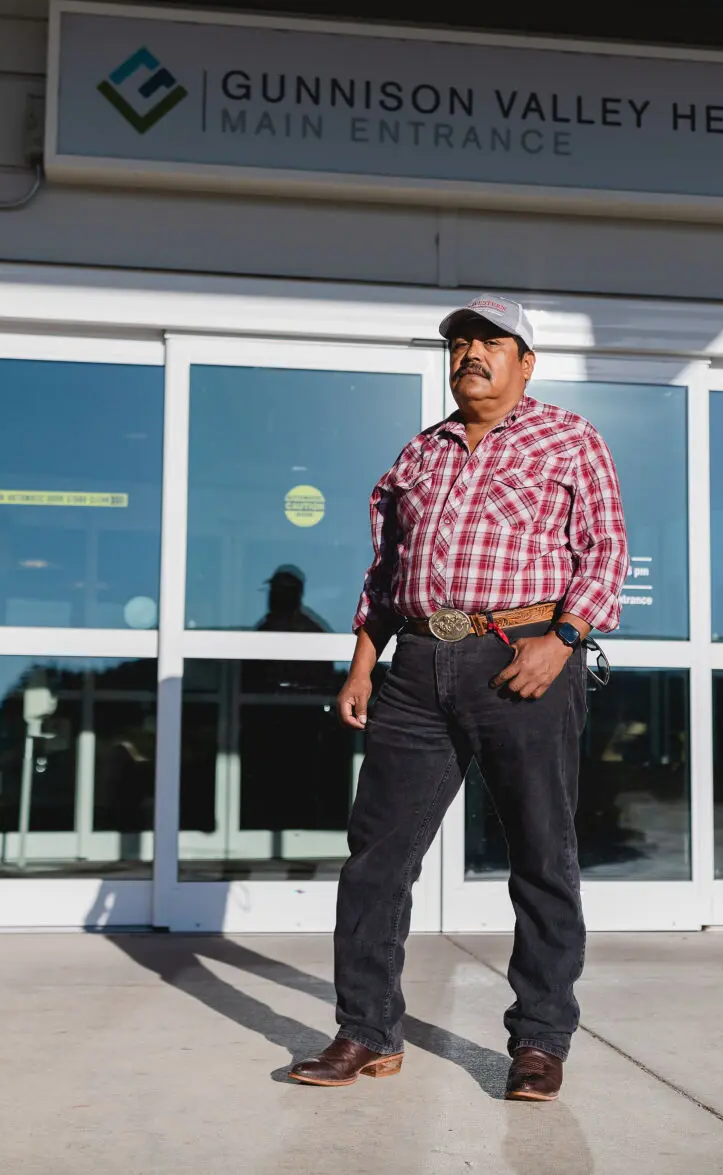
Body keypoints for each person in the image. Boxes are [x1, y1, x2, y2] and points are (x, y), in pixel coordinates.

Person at [288, 295, 628, 1102]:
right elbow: (381, 576)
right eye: (461, 342)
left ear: (525, 362)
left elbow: (605, 550)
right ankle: (365, 1029)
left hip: (522, 657)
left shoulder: (569, 438)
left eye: (490, 341)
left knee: (542, 856)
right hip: (413, 665)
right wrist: (363, 663)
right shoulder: (417, 453)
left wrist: (563, 639)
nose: (471, 352)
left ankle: (540, 1041)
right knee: (376, 857)